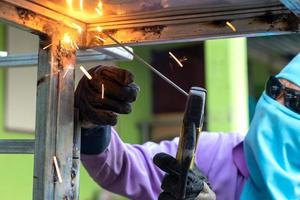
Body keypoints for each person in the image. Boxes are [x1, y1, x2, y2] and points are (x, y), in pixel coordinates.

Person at [76, 54, 300, 200]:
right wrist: (94, 123)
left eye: (294, 101)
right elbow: (123, 168)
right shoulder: (219, 152)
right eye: (274, 89)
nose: (275, 105)